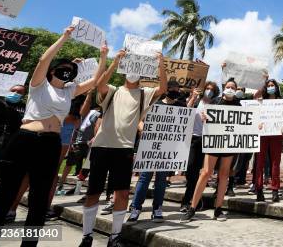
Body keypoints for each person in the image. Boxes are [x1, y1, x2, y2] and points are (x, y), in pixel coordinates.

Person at [0, 26, 107, 247]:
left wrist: (104, 56)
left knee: (39, 200)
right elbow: (43, 59)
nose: (67, 71)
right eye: (62, 68)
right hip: (25, 140)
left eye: (71, 69)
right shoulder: (38, 85)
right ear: (52, 70)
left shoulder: (70, 91)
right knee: (5, 195)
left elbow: (97, 80)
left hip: (51, 144)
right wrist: (64, 37)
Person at [80, 50, 166, 247]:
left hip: (124, 149)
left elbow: (162, 87)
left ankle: (115, 236)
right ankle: (86, 236)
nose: (132, 72)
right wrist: (115, 61)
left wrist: (160, 63)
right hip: (102, 147)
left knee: (123, 193)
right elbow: (99, 84)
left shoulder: (145, 94)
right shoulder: (112, 90)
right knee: (93, 192)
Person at [180, 78, 241, 222]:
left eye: (233, 87)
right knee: (206, 173)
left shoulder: (239, 105)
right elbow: (206, 114)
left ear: (236, 90)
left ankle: (218, 209)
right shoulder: (215, 102)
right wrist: (204, 116)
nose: (230, 89)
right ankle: (192, 208)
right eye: (228, 86)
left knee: (224, 174)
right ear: (224, 87)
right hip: (213, 141)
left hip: (228, 143)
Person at [127, 80, 184, 224]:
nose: (174, 90)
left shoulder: (180, 106)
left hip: (167, 147)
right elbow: (139, 119)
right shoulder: (155, 103)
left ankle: (157, 208)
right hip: (150, 145)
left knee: (161, 179)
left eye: (176, 89)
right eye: (171, 88)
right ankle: (135, 208)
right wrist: (143, 128)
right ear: (166, 89)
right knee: (145, 177)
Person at [180, 81, 219, 213]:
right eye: (207, 88)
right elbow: (185, 111)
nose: (209, 91)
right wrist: (193, 98)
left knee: (205, 172)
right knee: (191, 169)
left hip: (208, 139)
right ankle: (190, 199)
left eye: (212, 89)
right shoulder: (197, 101)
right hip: (194, 138)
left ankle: (191, 201)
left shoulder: (216, 104)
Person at [0, 85, 27, 191]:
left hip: (5, 148)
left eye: (19, 92)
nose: (15, 94)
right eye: (13, 91)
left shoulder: (24, 108)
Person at [253, 79, 283, 202]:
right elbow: (254, 97)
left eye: (272, 85)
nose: (271, 87)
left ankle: (275, 190)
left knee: (276, 162)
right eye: (268, 86)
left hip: (276, 134)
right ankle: (259, 190)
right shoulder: (261, 101)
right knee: (259, 162)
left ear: (276, 88)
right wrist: (263, 82)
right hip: (262, 134)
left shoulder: (281, 102)